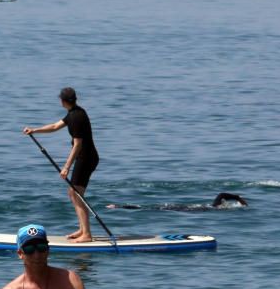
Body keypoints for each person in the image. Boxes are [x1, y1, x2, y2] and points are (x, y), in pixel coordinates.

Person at [24, 88, 100, 242]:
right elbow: (54, 126)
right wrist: (34, 130)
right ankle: (82, 229)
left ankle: (87, 234)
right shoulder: (74, 113)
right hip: (85, 157)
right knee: (74, 193)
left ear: (62, 101)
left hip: (86, 158)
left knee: (76, 194)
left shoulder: (77, 117)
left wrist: (66, 167)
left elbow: (77, 145)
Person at [106, 193, 248, 210]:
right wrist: (238, 199)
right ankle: (118, 206)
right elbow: (221, 194)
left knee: (148, 208)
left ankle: (118, 206)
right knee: (149, 208)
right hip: (182, 208)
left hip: (182, 208)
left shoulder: (213, 208)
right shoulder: (213, 207)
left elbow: (221, 194)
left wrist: (238, 199)